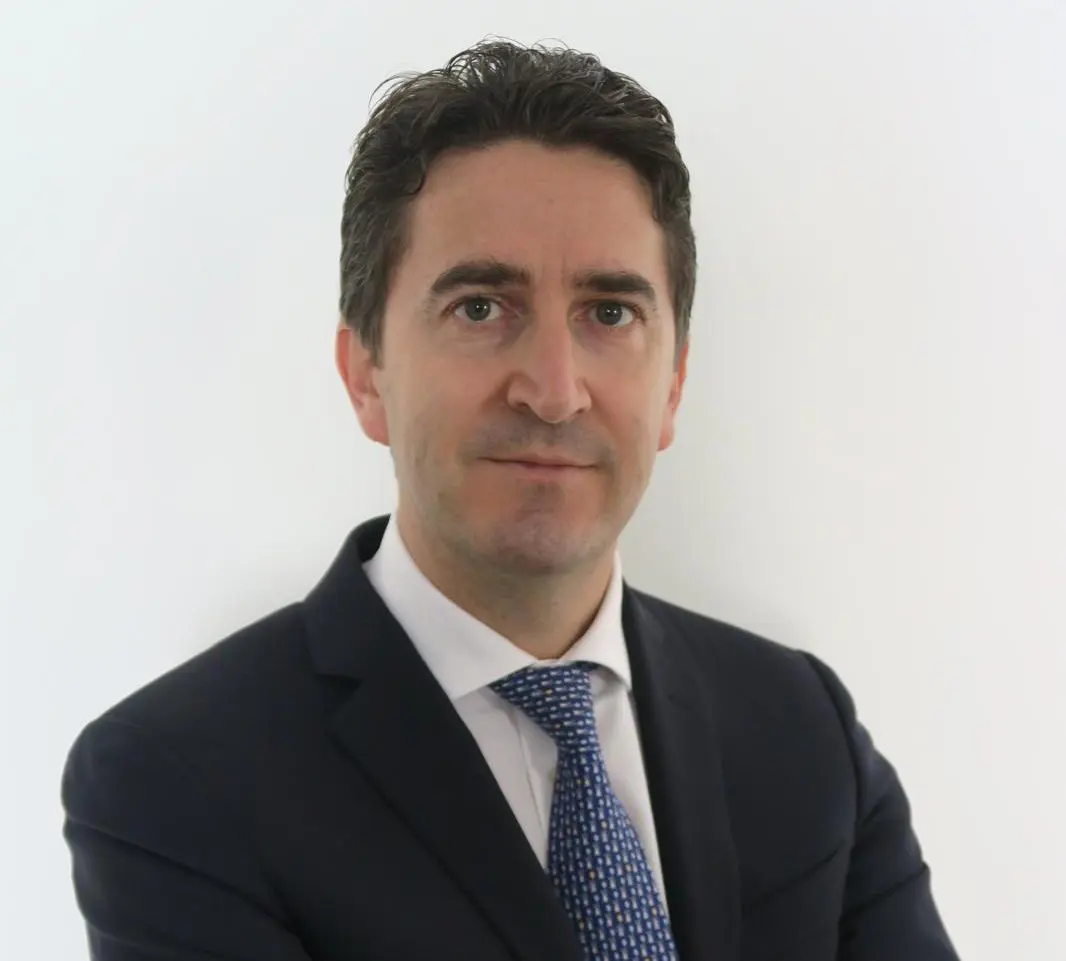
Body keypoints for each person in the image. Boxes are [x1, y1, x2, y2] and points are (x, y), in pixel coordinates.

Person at [61, 40, 960, 961]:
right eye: (482, 307)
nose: (554, 391)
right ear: (365, 373)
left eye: (610, 313)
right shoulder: (176, 781)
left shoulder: (801, 726)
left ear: (674, 387)